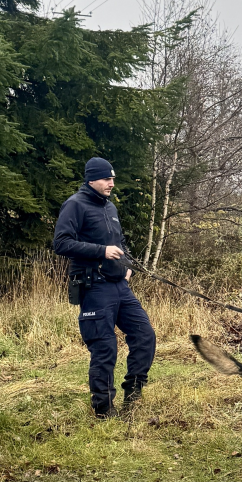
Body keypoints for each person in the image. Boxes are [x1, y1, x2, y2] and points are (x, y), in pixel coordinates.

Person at [53, 157, 157, 418]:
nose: (112, 183)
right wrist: (101, 251)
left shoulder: (109, 207)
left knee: (145, 336)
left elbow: (119, 242)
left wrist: (128, 265)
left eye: (112, 179)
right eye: (106, 179)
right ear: (91, 180)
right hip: (94, 286)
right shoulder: (75, 205)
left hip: (119, 285)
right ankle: (103, 409)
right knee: (105, 347)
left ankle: (133, 395)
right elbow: (61, 243)